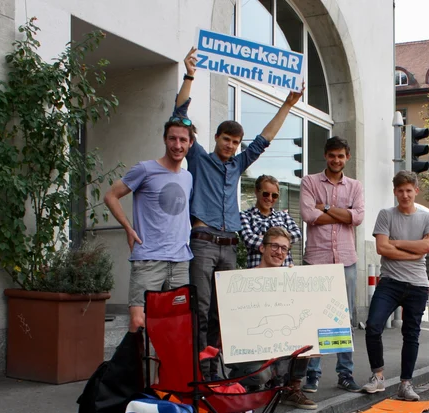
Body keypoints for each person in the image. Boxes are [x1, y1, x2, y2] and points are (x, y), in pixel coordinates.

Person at [173, 47, 303, 374]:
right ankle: (200, 371)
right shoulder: (200, 158)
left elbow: (265, 139)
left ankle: (216, 367)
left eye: (234, 141)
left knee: (224, 311)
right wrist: (189, 75)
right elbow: (179, 119)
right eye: (226, 139)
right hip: (203, 241)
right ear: (216, 138)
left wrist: (288, 104)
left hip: (229, 246)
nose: (230, 145)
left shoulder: (239, 164)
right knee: (201, 309)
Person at [103, 117, 195, 332]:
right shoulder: (145, 169)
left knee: (176, 326)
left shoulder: (188, 177)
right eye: (172, 138)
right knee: (139, 322)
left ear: (190, 143)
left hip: (180, 262)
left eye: (183, 140)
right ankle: (137, 367)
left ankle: (165, 367)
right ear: (164, 139)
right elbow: (110, 196)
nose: (177, 145)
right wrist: (128, 228)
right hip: (149, 258)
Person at [362, 171, 429, 401]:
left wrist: (397, 243)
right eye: (400, 191)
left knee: (411, 334)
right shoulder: (386, 215)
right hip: (390, 283)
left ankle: (406, 384)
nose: (405, 195)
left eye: (409, 190)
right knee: (373, 326)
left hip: (417, 285)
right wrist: (413, 252)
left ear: (416, 190)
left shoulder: (427, 217)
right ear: (394, 192)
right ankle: (378, 376)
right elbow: (382, 249)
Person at [299, 136, 365, 393]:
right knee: (315, 318)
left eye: (341, 156)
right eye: (332, 155)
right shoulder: (309, 181)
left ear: (347, 157)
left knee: (343, 319)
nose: (336, 160)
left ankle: (345, 373)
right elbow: (308, 215)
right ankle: (312, 374)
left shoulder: (355, 186)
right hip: (317, 259)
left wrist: (325, 207)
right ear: (325, 156)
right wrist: (342, 214)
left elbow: (357, 218)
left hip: (346, 260)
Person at [254, 227, 316, 410]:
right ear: (262, 248)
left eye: (284, 249)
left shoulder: (290, 279)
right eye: (274, 246)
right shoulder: (245, 279)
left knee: (307, 332)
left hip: (281, 335)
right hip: (258, 340)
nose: (279, 252)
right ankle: (265, 387)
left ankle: (291, 388)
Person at [239, 175, 303, 268]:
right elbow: (249, 240)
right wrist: (283, 240)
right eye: (266, 194)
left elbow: (297, 234)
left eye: (274, 195)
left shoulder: (283, 215)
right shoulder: (245, 216)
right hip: (258, 274)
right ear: (256, 191)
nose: (270, 198)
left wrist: (265, 239)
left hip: (284, 271)